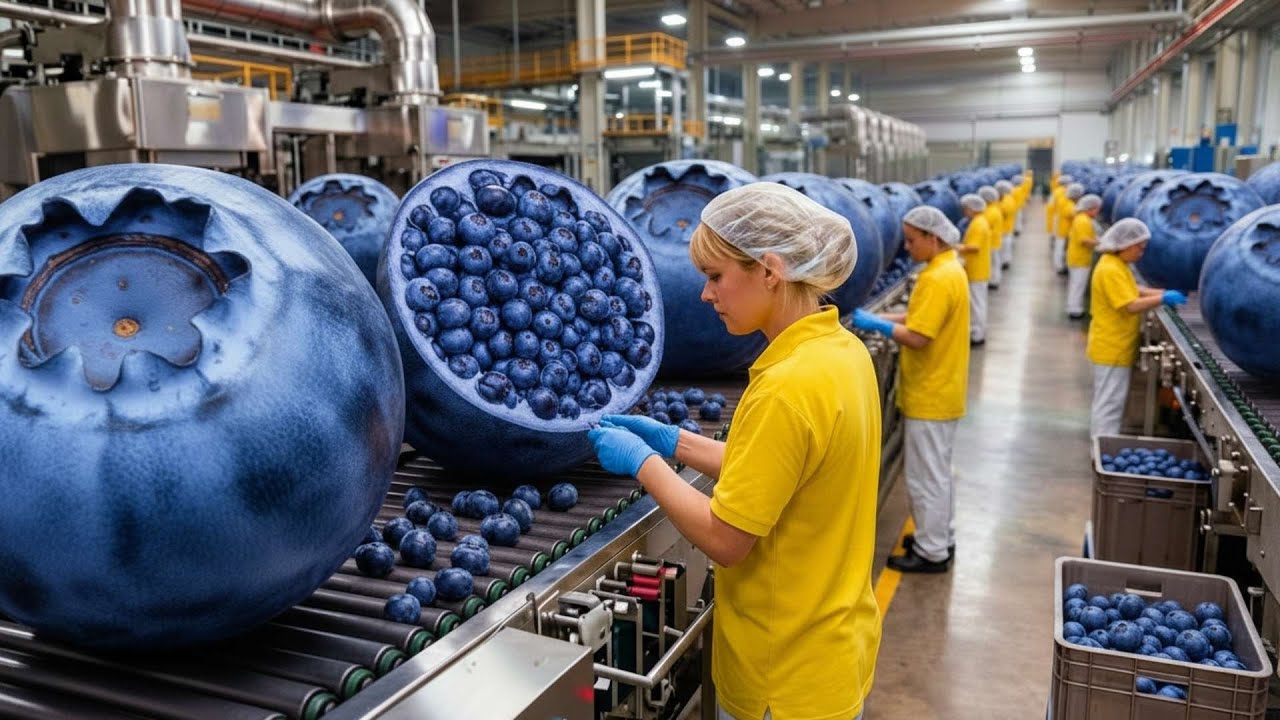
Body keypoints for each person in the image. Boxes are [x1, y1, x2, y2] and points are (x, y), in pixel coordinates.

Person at [587, 182, 881, 720]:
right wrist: (674, 441)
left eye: (716, 276)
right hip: (832, 652)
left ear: (770, 270)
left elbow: (726, 538)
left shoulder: (787, 387)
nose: (705, 294)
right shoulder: (842, 354)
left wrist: (644, 464)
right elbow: (776, 471)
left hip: (781, 676)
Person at [853, 206, 968, 573]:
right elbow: (921, 315)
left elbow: (918, 336)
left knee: (925, 476)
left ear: (933, 238)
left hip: (930, 393)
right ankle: (940, 537)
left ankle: (931, 551)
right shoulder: (949, 269)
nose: (906, 246)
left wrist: (878, 327)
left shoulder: (937, 278)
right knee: (937, 472)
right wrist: (882, 318)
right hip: (943, 389)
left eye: (913, 239)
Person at [1087, 218, 1187, 439]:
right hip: (1111, 347)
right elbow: (1130, 305)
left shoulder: (1114, 264)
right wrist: (1162, 298)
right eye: (1139, 248)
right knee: (1109, 403)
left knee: (1110, 399)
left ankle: (1103, 443)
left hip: (1115, 344)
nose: (1141, 253)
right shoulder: (1110, 269)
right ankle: (1101, 447)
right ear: (1125, 245)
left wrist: (1160, 292)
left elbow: (1133, 289)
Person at [957, 193, 992, 345]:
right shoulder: (980, 221)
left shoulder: (978, 224)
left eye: (966, 208)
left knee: (977, 304)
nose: (965, 212)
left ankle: (978, 334)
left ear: (972, 208)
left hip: (977, 270)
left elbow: (975, 247)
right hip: (977, 268)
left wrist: (956, 247)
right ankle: (977, 331)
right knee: (977, 302)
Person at [1066, 194, 1102, 319]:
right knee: (1078, 284)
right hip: (1079, 258)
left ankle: (1074, 306)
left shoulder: (1081, 218)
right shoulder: (1083, 221)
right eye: (1097, 209)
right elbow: (1084, 240)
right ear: (1090, 208)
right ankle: (1074, 310)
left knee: (1076, 284)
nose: (1098, 212)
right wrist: (1102, 242)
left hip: (1078, 257)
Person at [1055, 183, 1085, 275]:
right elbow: (1073, 213)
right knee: (1061, 250)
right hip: (1065, 230)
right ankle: (1060, 267)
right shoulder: (1068, 203)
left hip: (1064, 229)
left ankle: (1062, 266)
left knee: (1062, 249)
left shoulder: (1064, 199)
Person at [977, 185, 1004, 289]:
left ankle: (994, 281)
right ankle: (994, 279)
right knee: (994, 262)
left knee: (993, 262)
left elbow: (983, 228)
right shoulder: (994, 208)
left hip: (991, 242)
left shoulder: (990, 212)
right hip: (995, 240)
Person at [1047, 174, 1072, 272]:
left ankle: (1060, 264)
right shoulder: (1063, 192)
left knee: (1060, 244)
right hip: (1060, 219)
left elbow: (1051, 206)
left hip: (1057, 218)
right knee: (1060, 244)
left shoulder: (1056, 191)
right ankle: (1059, 265)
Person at [995, 179, 1017, 269]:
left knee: (1005, 246)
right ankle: (1005, 261)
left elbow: (1003, 213)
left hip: (1005, 228)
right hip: (1004, 227)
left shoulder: (1007, 200)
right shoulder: (1007, 199)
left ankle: (1005, 262)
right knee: (1005, 246)